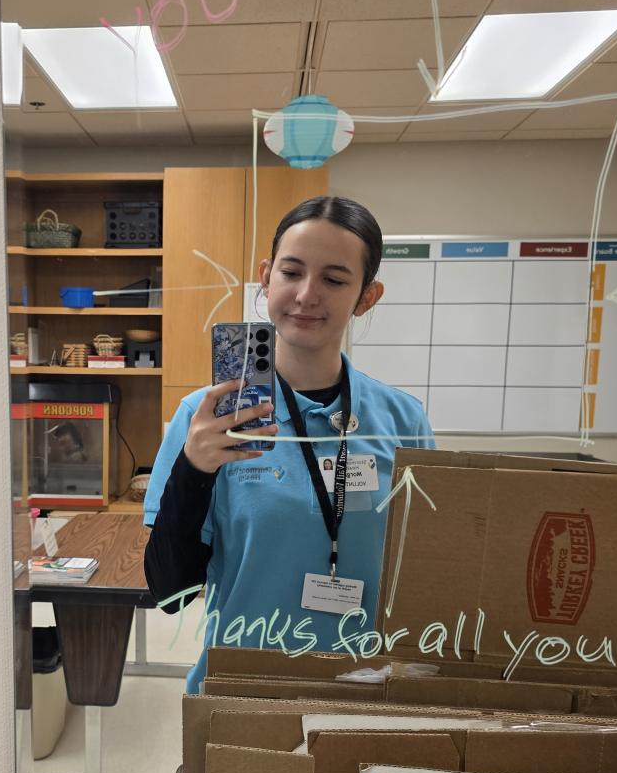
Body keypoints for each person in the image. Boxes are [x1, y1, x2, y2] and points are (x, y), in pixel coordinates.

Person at [143, 194, 435, 694]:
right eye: (292, 272)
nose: (306, 295)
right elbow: (171, 592)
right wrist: (193, 471)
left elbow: (429, 574)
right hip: (241, 691)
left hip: (365, 692)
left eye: (334, 280)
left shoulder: (403, 421)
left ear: (367, 296)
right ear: (266, 276)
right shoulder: (207, 418)